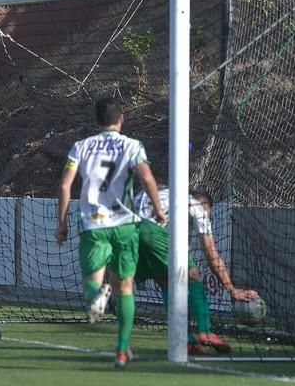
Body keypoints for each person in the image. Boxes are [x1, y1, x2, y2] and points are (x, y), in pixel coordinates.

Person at [54, 97, 166, 369]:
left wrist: (62, 222)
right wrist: (158, 208)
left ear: (96, 121)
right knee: (125, 288)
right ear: (121, 118)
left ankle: (97, 295)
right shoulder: (132, 146)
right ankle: (122, 350)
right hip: (125, 225)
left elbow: (65, 185)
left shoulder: (80, 147)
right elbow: (147, 178)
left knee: (91, 284)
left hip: (94, 225)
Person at [134, 187, 259, 355]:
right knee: (192, 274)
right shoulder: (196, 206)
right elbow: (211, 253)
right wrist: (232, 290)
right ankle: (205, 332)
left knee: (164, 281)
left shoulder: (167, 194)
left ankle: (186, 340)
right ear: (204, 204)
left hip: (128, 231)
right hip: (151, 229)